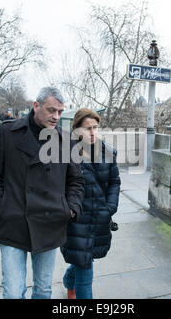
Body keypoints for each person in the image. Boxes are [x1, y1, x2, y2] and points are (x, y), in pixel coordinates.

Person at [0, 87, 84, 299]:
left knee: (43, 290)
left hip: (50, 222)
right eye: (51, 110)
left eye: (60, 111)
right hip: (13, 222)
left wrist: (70, 209)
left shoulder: (66, 140)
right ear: (36, 106)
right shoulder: (6, 133)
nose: (56, 117)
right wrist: (0, 207)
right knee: (12, 292)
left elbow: (76, 180)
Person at [60, 108, 121, 299]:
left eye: (96, 127)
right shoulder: (65, 154)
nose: (93, 132)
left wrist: (110, 207)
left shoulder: (108, 152)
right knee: (86, 270)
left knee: (84, 260)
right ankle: (74, 289)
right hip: (77, 220)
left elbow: (114, 182)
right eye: (87, 128)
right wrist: (69, 210)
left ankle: (69, 282)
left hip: (99, 218)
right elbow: (60, 186)